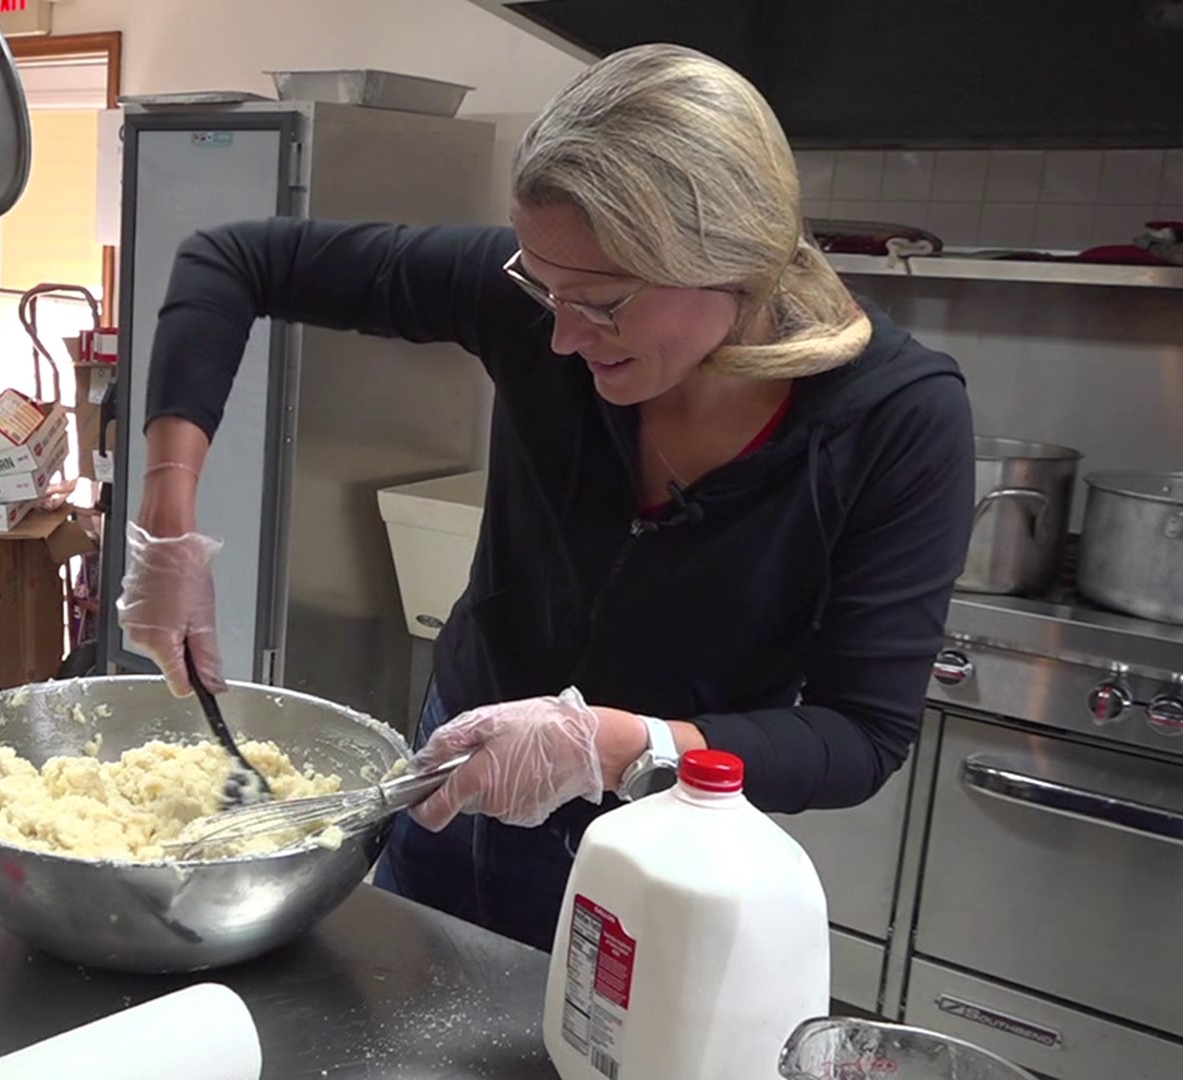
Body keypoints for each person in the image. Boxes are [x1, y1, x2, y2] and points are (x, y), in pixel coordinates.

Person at [116, 44, 976, 949]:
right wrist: (169, 517)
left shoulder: (894, 418)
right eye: (543, 285)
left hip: (659, 850)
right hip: (453, 779)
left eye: (602, 302)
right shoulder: (541, 306)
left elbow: (859, 737)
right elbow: (233, 258)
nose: (562, 335)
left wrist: (612, 745)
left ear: (736, 263)